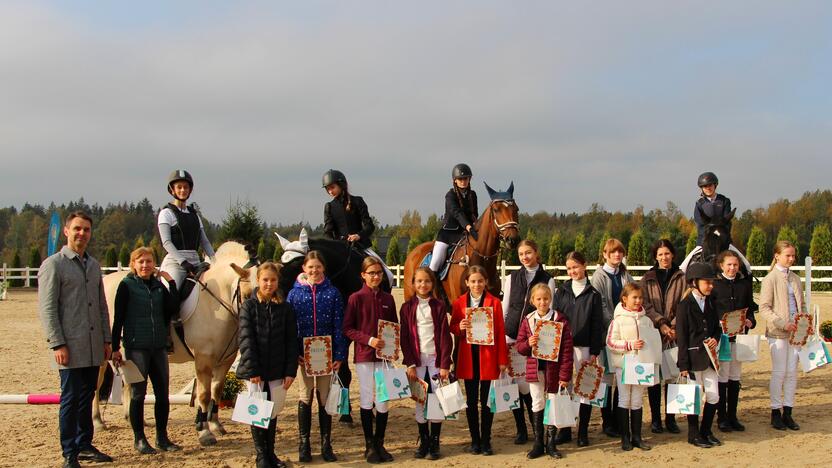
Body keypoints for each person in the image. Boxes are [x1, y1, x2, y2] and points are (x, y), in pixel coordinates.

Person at [38, 211, 113, 468]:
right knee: (70, 399)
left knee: (86, 396)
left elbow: (102, 306)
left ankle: (85, 444)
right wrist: (57, 343)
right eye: (77, 229)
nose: (82, 234)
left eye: (87, 230)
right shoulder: (53, 265)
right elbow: (47, 309)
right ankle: (69, 452)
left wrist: (107, 339)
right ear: (67, 231)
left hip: (93, 346)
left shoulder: (93, 265)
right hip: (69, 346)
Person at [111, 247, 181, 455]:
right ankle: (139, 439)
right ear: (133, 264)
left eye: (149, 261)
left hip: (158, 347)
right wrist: (115, 348)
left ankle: (162, 437)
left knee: (162, 395)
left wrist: (172, 283)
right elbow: (118, 319)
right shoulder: (126, 286)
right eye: (141, 262)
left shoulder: (159, 287)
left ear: (154, 265)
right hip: (136, 348)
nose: (145, 265)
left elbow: (172, 308)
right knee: (138, 395)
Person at [236, 261, 298, 468]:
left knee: (272, 412)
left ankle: (271, 453)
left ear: (278, 281)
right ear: (258, 281)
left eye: (273, 280)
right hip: (256, 371)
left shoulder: (285, 308)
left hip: (277, 370)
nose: (269, 284)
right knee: (257, 412)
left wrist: (290, 371)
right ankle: (261, 455)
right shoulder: (248, 307)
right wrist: (253, 369)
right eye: (265, 280)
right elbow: (246, 340)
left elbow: (291, 341)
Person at [286, 251, 347, 463]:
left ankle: (325, 443)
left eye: (318, 267)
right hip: (304, 357)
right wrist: (294, 352)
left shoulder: (333, 293)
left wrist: (339, 353)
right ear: (304, 269)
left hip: (326, 356)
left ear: (323, 269)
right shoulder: (293, 295)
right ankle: (304, 444)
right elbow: (289, 327)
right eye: (310, 267)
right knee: (305, 397)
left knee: (324, 397)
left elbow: (339, 325)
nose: (314, 270)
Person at [342, 257, 398, 463]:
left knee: (383, 400)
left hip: (384, 358)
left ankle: (380, 442)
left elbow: (393, 326)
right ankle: (369, 445)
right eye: (372, 273)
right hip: (365, 356)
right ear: (363, 275)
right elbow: (348, 328)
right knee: (367, 398)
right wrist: (369, 340)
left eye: (379, 273)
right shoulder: (355, 298)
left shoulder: (388, 299)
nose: (375, 276)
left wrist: (393, 348)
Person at [501, 239, 555, 445]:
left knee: (529, 385)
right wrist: (503, 337)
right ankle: (521, 428)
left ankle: (536, 427)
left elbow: (550, 311)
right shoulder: (512, 277)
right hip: (511, 336)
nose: (525, 257)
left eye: (528, 252)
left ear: (536, 253)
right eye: (521, 253)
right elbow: (506, 308)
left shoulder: (547, 279)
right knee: (515, 385)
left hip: (534, 340)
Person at [449, 265, 508, 456]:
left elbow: (500, 332)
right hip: (468, 357)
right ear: (467, 282)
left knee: (487, 401)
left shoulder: (494, 302)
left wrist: (502, 360)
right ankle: (475, 440)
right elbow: (453, 328)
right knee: (472, 401)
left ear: (486, 282)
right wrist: (460, 326)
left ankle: (486, 440)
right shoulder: (458, 303)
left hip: (488, 357)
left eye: (480, 281)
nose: (476, 284)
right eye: (473, 281)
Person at [400, 266, 453, 460]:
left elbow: (445, 337)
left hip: (436, 360)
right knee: (420, 400)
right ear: (413, 284)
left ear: (433, 284)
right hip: (416, 360)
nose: (423, 284)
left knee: (436, 399)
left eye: (427, 281)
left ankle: (435, 442)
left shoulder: (438, 306)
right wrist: (410, 363)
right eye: (419, 281)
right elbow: (404, 337)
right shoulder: (406, 308)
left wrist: (445, 363)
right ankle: (424, 440)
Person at [515, 284, 574, 459]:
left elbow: (566, 350)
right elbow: (519, 347)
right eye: (539, 299)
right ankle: (538, 443)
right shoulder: (528, 320)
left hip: (553, 371)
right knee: (537, 403)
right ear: (532, 301)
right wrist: (528, 344)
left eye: (546, 298)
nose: (542, 302)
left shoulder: (560, 319)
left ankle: (551, 443)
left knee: (554, 403)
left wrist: (565, 376)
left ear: (551, 299)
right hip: (535, 370)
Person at [552, 251, 603, 447]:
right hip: (564, 347)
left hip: (585, 348)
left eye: (575, 267)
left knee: (585, 390)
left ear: (584, 266)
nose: (573, 271)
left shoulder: (593, 294)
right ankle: (565, 429)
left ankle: (582, 432)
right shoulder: (561, 292)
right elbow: (555, 318)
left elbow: (597, 324)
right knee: (564, 387)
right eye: (569, 268)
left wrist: (595, 351)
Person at [758, 240, 808, 431]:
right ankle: (775, 412)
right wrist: (782, 323)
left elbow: (801, 305)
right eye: (788, 255)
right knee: (779, 372)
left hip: (795, 333)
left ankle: (788, 411)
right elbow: (764, 308)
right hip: (778, 333)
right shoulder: (770, 279)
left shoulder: (795, 278)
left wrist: (804, 324)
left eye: (793, 255)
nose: (791, 258)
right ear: (777, 256)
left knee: (792, 373)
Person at [640, 239, 686, 435]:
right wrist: (661, 323)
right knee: (655, 378)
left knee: (672, 377)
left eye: (667, 253)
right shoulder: (647, 278)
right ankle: (656, 419)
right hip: (654, 332)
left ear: (672, 255)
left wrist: (673, 326)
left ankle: (671, 418)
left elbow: (685, 303)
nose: (664, 257)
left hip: (674, 334)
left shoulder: (682, 277)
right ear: (655, 257)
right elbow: (645, 305)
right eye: (660, 254)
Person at [675, 262, 723, 448]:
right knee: (693, 398)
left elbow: (717, 328)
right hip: (693, 359)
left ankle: (706, 430)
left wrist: (715, 339)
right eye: (707, 282)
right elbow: (682, 337)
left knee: (713, 396)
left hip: (710, 358)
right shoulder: (684, 305)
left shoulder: (711, 302)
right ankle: (693, 434)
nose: (711, 286)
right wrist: (683, 365)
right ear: (694, 282)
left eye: (712, 283)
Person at [589, 238, 633, 437]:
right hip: (607, 333)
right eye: (613, 252)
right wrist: (616, 326)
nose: (617, 255)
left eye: (619, 252)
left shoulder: (625, 275)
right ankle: (607, 421)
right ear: (605, 254)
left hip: (624, 334)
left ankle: (618, 418)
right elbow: (601, 305)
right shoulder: (599, 276)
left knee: (621, 376)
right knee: (607, 379)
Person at [711, 250, 757, 432]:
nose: (732, 268)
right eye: (729, 265)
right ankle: (721, 417)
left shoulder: (744, 284)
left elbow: (750, 308)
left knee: (735, 376)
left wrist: (750, 321)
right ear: (721, 265)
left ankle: (733, 416)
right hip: (722, 338)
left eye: (735, 265)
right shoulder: (715, 285)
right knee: (722, 376)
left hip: (740, 337)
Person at [322, 169, 393, 287]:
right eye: (327, 189)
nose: (330, 191)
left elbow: (370, 226)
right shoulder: (329, 207)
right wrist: (336, 245)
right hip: (340, 247)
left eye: (332, 187)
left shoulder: (357, 201)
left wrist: (358, 235)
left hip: (360, 246)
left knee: (389, 275)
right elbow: (328, 232)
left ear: (341, 185)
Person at [605, 283, 653, 452]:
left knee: (638, 400)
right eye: (634, 297)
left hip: (641, 365)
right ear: (624, 299)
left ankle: (637, 437)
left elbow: (652, 342)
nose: (638, 301)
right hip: (624, 364)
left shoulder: (647, 321)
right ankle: (625, 437)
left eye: (640, 297)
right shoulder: (617, 321)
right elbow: (610, 343)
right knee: (624, 399)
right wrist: (630, 345)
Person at [157, 170, 215, 300]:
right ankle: (171, 320)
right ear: (172, 190)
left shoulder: (194, 214)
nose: (183, 190)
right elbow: (166, 242)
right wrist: (182, 262)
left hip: (195, 262)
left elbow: (204, 241)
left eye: (186, 187)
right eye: (179, 187)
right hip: (176, 263)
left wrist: (216, 261)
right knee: (172, 295)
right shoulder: (166, 213)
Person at [429, 164, 479, 276]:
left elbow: (474, 214)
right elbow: (457, 213)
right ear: (455, 180)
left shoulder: (473, 195)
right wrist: (469, 227)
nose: (463, 181)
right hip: (448, 234)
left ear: (469, 179)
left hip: (465, 234)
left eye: (465, 178)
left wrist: (476, 226)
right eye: (460, 179)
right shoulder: (450, 195)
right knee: (435, 262)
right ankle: (432, 283)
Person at [693, 172, 732, 247]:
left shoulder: (724, 201)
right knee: (689, 258)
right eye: (705, 186)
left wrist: (719, 234)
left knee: (741, 258)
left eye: (710, 185)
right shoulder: (699, 204)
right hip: (704, 241)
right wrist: (711, 234)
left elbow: (727, 221)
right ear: (702, 188)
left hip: (723, 240)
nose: (708, 188)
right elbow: (700, 224)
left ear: (715, 185)